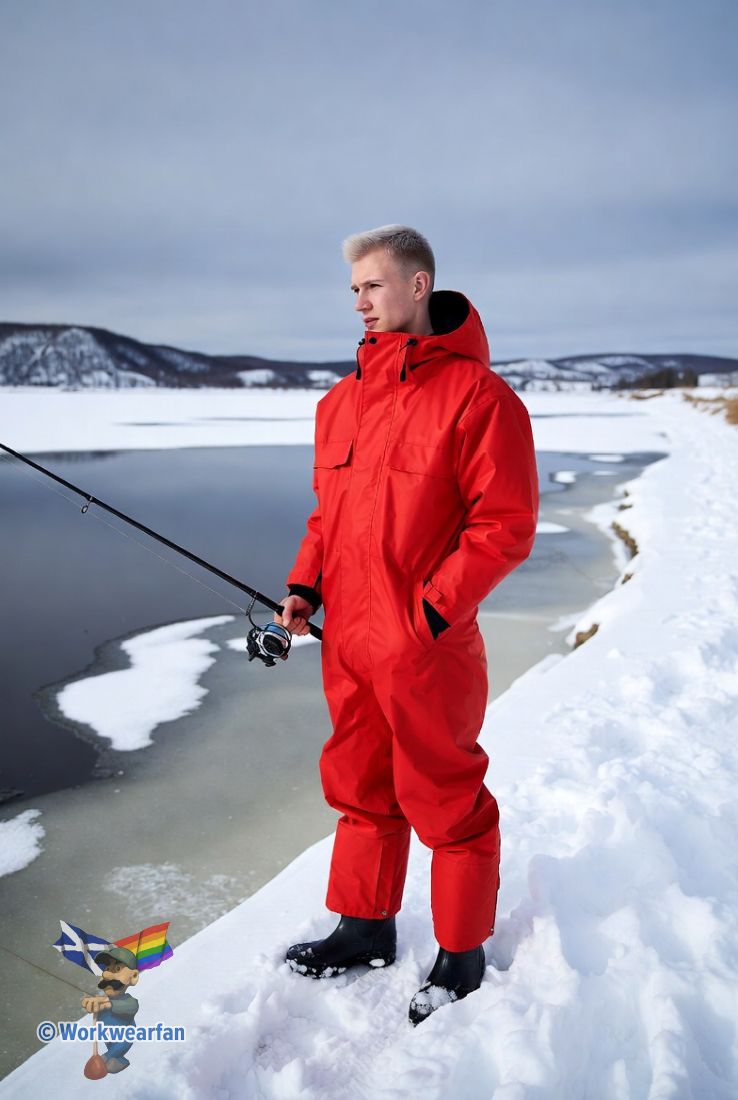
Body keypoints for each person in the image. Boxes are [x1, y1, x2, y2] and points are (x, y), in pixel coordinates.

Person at [275, 224, 539, 1025]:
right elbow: (328, 517)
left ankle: (461, 952)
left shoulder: (479, 398)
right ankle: (364, 927)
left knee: (446, 798)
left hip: (427, 646)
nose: (360, 301)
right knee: (360, 788)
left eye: (374, 285)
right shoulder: (340, 402)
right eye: (353, 288)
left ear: (419, 285)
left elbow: (504, 525)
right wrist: (305, 587)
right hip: (349, 644)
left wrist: (429, 611)